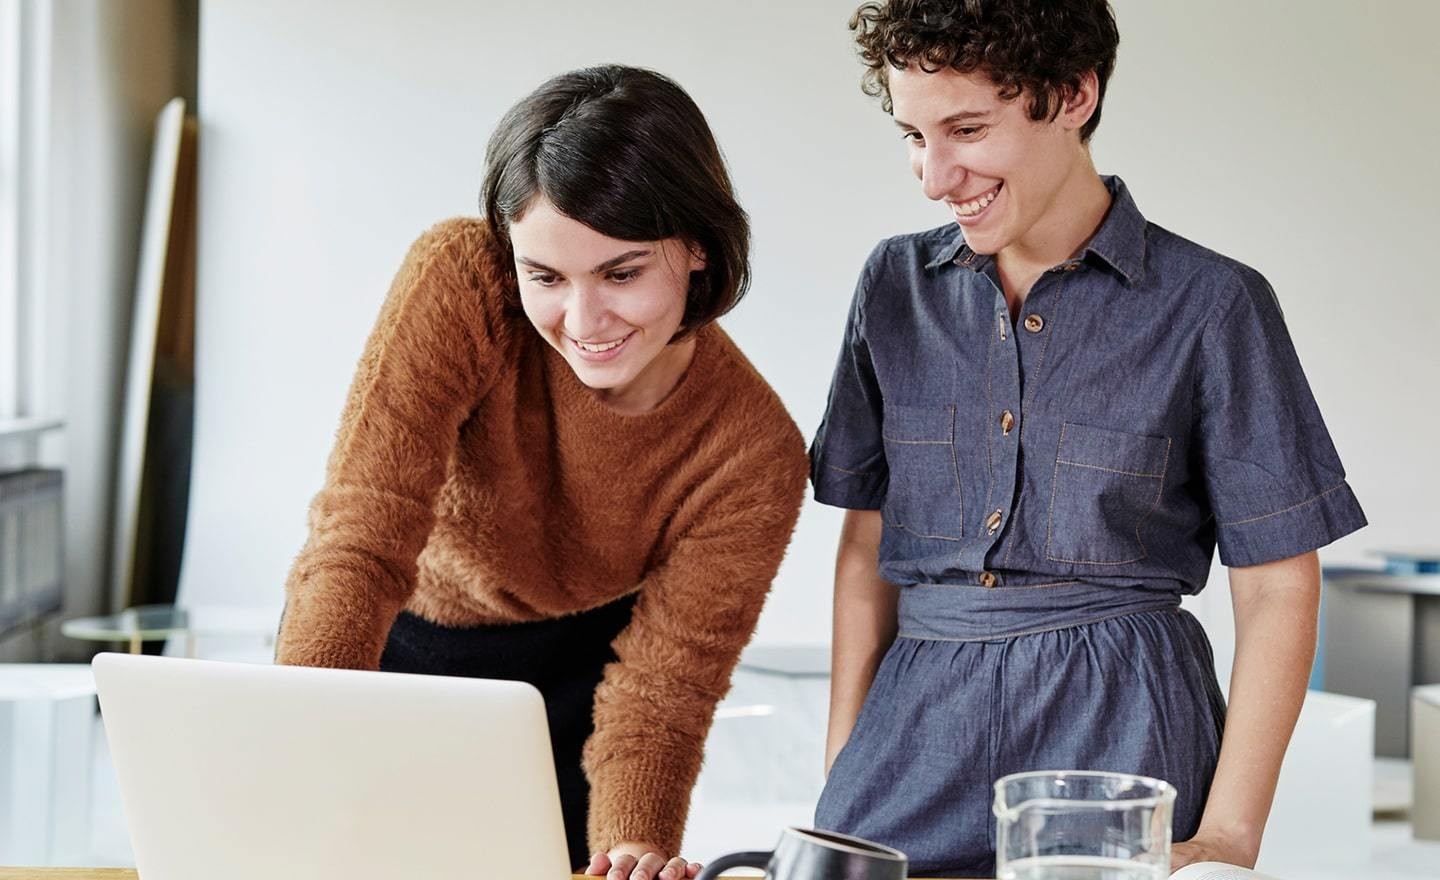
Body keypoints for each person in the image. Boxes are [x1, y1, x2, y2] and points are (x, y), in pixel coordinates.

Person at [807, 1, 1367, 875]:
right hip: (913, 726)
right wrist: (844, 767)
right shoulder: (893, 285)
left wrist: (1229, 835)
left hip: (1122, 724)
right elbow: (865, 546)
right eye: (913, 135)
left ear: (1072, 94)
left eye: (966, 129)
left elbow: (1276, 586)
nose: (933, 175)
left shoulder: (1213, 304)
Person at [274, 65, 809, 880]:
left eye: (622, 274)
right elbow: (363, 532)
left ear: (698, 246)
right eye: (546, 277)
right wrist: (298, 728)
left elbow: (662, 695)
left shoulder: (752, 451)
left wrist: (634, 847)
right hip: (382, 648)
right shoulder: (462, 276)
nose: (583, 322)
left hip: (570, 696)